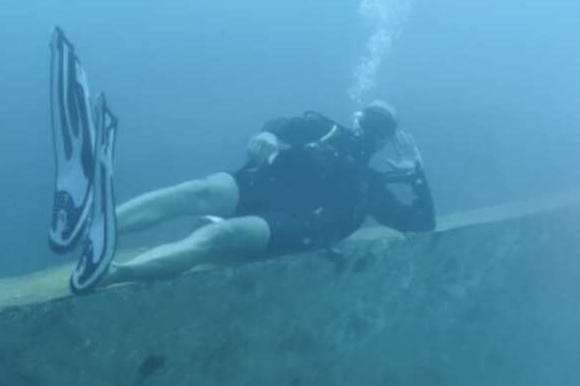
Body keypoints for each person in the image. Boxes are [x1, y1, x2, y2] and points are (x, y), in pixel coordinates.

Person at [100, 100, 435, 286]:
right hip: (264, 187)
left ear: (384, 140)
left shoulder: (370, 184)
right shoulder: (324, 130)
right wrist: (268, 135)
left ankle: (116, 273)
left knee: (219, 234)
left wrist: (416, 176)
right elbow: (280, 123)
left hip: (296, 224)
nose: (369, 129)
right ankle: (100, 229)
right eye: (369, 119)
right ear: (357, 116)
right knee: (195, 190)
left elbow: (420, 223)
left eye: (381, 127)